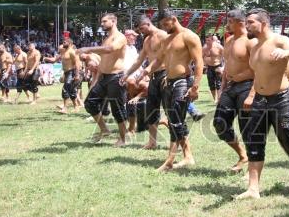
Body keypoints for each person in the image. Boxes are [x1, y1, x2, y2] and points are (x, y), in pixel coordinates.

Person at [237, 9, 289, 199]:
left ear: (263, 23)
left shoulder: (279, 40)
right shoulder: (254, 46)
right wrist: (251, 96)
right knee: (254, 140)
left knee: (288, 141)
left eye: (250, 22)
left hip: (281, 100)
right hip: (260, 101)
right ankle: (253, 188)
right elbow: (258, 75)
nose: (246, 26)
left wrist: (286, 52)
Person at [142, 9, 204, 171]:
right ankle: (188, 156)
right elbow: (159, 60)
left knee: (175, 120)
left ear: (174, 19)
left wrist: (195, 87)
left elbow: (199, 63)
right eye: (161, 25)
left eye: (165, 24)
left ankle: (169, 160)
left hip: (183, 82)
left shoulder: (189, 36)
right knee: (175, 120)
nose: (163, 27)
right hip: (167, 82)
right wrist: (146, 71)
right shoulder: (167, 39)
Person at [78, 14, 129, 146]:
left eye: (105, 21)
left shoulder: (120, 37)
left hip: (116, 77)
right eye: (101, 22)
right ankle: (105, 129)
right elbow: (104, 58)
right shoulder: (106, 39)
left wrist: (89, 48)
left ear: (113, 21)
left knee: (117, 109)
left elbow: (110, 49)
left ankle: (123, 139)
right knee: (90, 102)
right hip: (104, 77)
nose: (102, 24)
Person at [212, 10, 252, 173]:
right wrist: (222, 88)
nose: (226, 25)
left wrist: (251, 93)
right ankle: (243, 155)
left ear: (240, 23)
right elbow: (227, 66)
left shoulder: (251, 41)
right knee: (219, 122)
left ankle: (252, 166)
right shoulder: (228, 41)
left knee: (247, 128)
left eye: (229, 22)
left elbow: (258, 68)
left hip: (247, 86)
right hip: (230, 87)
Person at [122, 15, 170, 150]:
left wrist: (146, 71)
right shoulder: (147, 40)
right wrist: (127, 74)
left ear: (148, 24)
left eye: (142, 29)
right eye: (139, 30)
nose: (141, 32)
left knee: (169, 108)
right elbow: (139, 60)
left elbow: (163, 56)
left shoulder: (163, 35)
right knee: (151, 109)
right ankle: (152, 142)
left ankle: (176, 141)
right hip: (154, 76)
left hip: (166, 73)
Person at [44, 39, 80, 114]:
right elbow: (54, 60)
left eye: (64, 42)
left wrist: (77, 75)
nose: (63, 43)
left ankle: (65, 108)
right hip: (66, 72)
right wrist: (46, 58)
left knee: (65, 89)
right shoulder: (63, 52)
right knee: (71, 90)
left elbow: (77, 63)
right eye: (63, 42)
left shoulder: (72, 52)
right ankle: (76, 107)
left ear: (70, 43)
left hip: (71, 72)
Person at [203, 35, 224, 103]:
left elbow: (226, 56)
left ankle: (219, 98)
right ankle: (215, 98)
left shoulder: (218, 47)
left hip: (218, 66)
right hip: (209, 67)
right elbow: (201, 57)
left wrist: (223, 67)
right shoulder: (204, 48)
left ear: (212, 40)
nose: (207, 42)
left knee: (218, 84)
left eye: (209, 40)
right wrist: (204, 64)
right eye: (206, 40)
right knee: (211, 84)